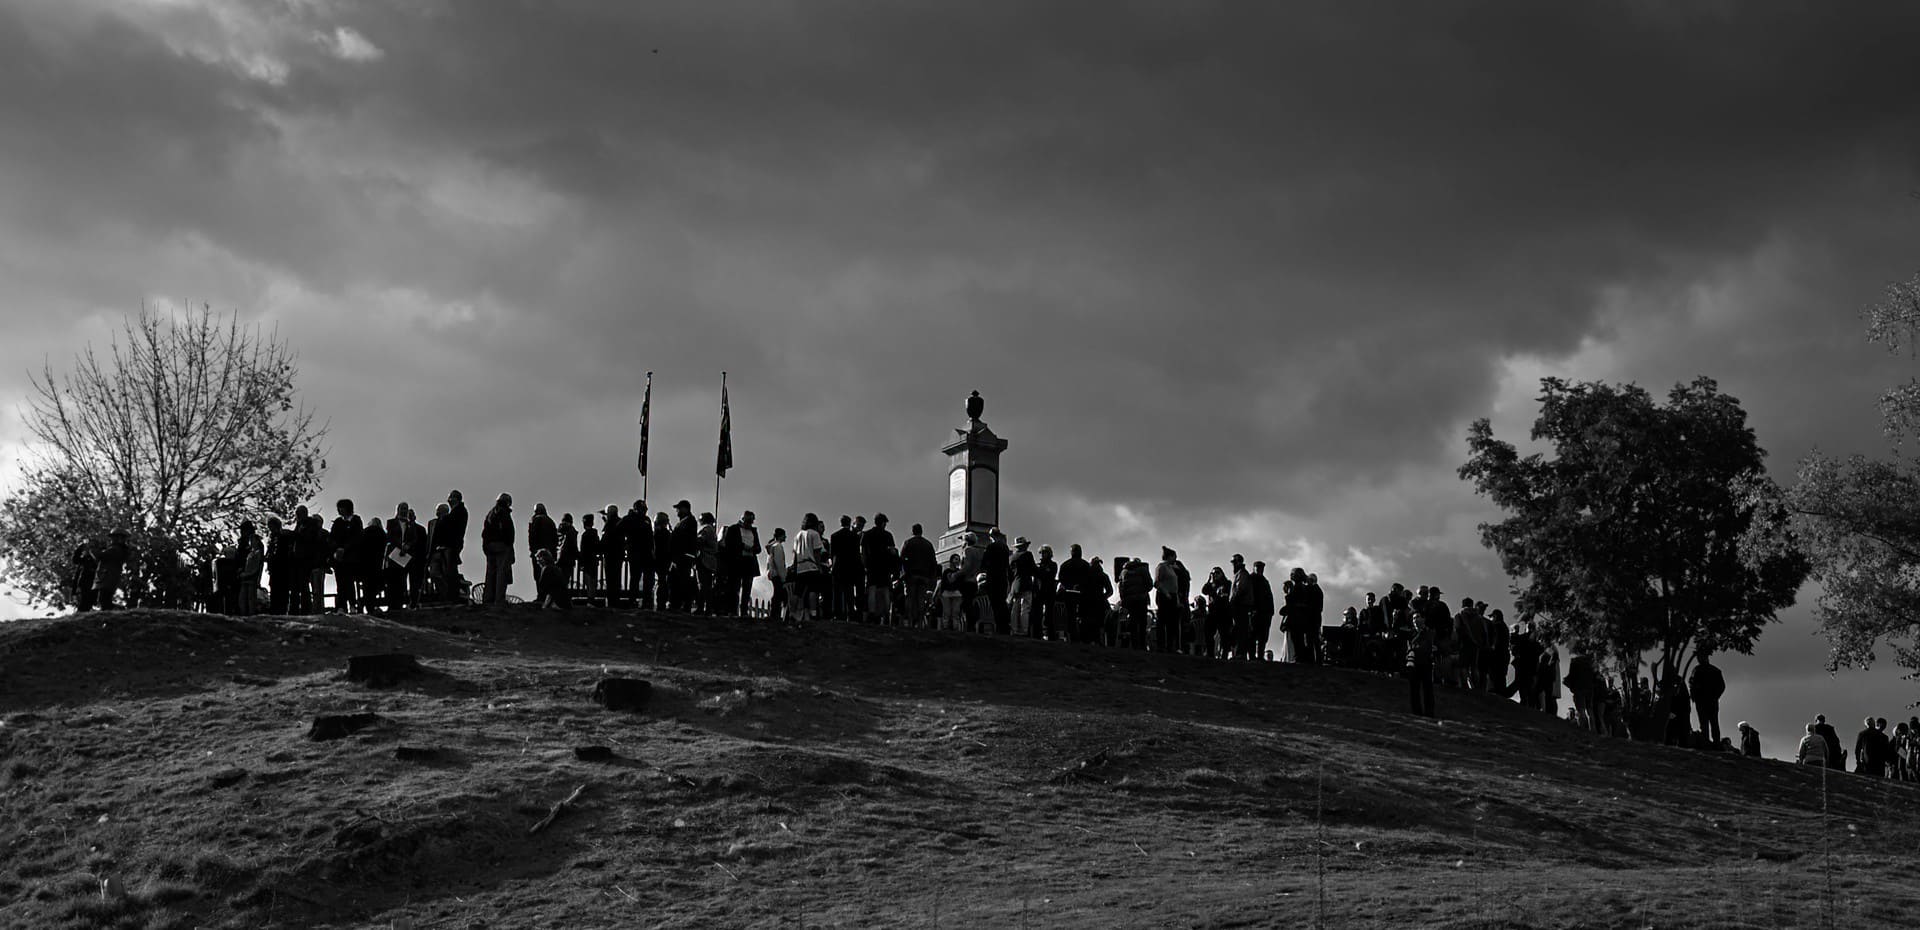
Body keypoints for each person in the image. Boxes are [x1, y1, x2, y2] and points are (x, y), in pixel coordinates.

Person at [721, 511, 763, 617]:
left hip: (750, 562)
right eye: (748, 521)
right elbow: (729, 545)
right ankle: (733, 610)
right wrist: (742, 546)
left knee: (747, 588)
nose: (750, 523)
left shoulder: (753, 531)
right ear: (743, 519)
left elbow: (758, 548)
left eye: (751, 521)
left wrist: (753, 549)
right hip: (737, 562)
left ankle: (744, 611)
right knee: (734, 587)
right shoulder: (733, 529)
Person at [789, 513, 828, 625]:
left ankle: (792, 614)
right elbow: (817, 552)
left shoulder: (798, 535)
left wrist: (795, 567)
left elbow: (795, 555)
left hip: (800, 566)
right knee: (813, 590)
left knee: (797, 592)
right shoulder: (814, 534)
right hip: (811, 565)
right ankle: (813, 613)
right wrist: (819, 566)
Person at [901, 524, 939, 629]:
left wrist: (904, 573)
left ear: (912, 531)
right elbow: (933, 562)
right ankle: (920, 622)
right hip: (924, 576)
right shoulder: (928, 544)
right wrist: (932, 577)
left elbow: (902, 559)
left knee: (910, 598)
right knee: (921, 599)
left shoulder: (908, 543)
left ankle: (909, 621)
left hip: (911, 575)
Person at [481, 493, 515, 605]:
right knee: (502, 573)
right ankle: (499, 600)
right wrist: (509, 545)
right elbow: (508, 532)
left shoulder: (491, 513)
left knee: (490, 573)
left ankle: (488, 599)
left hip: (490, 546)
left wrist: (485, 546)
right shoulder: (504, 513)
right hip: (502, 546)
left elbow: (485, 532)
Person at [329, 499, 362, 612]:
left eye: (341, 507)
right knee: (340, 583)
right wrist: (336, 549)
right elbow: (332, 537)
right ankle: (341, 606)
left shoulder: (356, 520)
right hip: (339, 558)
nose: (339, 510)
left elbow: (357, 538)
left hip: (351, 557)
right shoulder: (338, 522)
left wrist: (345, 548)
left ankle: (352, 605)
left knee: (349, 582)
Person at [1153, 548, 1187, 655]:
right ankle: (1161, 645)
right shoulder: (1162, 567)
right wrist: (1166, 592)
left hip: (1172, 596)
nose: (1175, 559)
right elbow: (1157, 583)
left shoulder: (1171, 568)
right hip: (1164, 596)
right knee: (1162, 620)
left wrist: (1176, 599)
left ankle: (1170, 646)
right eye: (1174, 556)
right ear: (1170, 556)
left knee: (1172, 622)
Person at [1688, 651, 1726, 746]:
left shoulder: (1697, 670)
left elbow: (1691, 684)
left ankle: (1706, 743)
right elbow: (1722, 686)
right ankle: (1715, 744)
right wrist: (1715, 696)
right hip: (1711, 701)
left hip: (1702, 701)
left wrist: (1694, 697)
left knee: (1705, 723)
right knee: (1713, 723)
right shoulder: (1715, 670)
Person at [623, 500, 654, 609]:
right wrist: (626, 545)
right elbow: (619, 531)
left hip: (646, 554)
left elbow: (650, 538)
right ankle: (633, 600)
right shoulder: (629, 519)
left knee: (647, 579)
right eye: (643, 509)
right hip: (635, 553)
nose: (645, 511)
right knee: (635, 578)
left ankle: (646, 600)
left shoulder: (647, 520)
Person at [1055, 545, 1089, 644]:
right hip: (1083, 594)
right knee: (1083, 616)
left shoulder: (1065, 565)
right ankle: (1083, 637)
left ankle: (1073, 637)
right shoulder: (1086, 565)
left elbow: (1061, 579)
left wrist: (1069, 586)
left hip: (1069, 593)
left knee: (1070, 616)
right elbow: (1089, 580)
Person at [1118, 556, 1153, 650]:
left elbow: (1121, 587)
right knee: (1142, 623)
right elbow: (1150, 584)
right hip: (1141, 599)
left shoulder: (1123, 572)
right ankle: (1142, 645)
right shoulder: (1143, 569)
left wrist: (1124, 598)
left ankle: (1134, 645)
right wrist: (1143, 592)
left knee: (1133, 622)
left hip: (1129, 601)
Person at [1406, 611, 1436, 718]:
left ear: (1424, 619)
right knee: (1414, 689)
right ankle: (1416, 711)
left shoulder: (1429, 632)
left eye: (1417, 617)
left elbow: (1429, 646)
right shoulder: (1410, 633)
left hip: (1426, 662)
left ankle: (1429, 712)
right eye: (1413, 618)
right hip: (1413, 663)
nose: (1415, 620)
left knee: (1428, 688)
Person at [982, 529, 1012, 635]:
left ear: (991, 536)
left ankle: (999, 626)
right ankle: (1004, 626)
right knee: (1001, 602)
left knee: (995, 603)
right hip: (1002, 578)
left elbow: (984, 563)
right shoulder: (1005, 547)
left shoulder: (991, 547)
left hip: (993, 578)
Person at [355, 513, 386, 613]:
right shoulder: (382, 533)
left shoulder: (364, 533)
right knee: (377, 585)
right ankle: (369, 603)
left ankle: (367, 604)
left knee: (367, 586)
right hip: (378, 564)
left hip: (365, 565)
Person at [670, 501, 698, 612]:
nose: (677, 511)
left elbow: (683, 540)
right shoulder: (686, 522)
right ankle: (679, 604)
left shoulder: (688, 522)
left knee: (682, 581)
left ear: (685, 509)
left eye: (679, 508)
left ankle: (682, 605)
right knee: (679, 580)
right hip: (683, 556)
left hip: (683, 557)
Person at [95, 529, 131, 610]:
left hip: (108, 576)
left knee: (104, 598)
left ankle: (114, 612)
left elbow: (100, 556)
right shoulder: (120, 549)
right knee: (104, 598)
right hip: (110, 576)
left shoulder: (116, 549)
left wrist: (92, 549)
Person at [1010, 537, 1038, 637]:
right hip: (1026, 584)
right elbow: (1034, 569)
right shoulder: (1028, 555)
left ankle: (1014, 629)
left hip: (1015, 585)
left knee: (1015, 608)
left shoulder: (1012, 557)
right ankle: (1024, 630)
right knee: (1025, 608)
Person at [235, 520, 264, 615]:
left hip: (250, 575)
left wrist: (256, 576)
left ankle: (250, 615)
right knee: (242, 599)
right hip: (242, 574)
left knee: (250, 599)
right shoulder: (242, 543)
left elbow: (259, 563)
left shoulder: (256, 546)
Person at [600, 504, 627, 607]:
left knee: (610, 580)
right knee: (617, 579)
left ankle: (611, 602)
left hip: (610, 555)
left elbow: (605, 540)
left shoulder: (609, 524)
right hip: (619, 555)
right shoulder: (621, 522)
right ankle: (616, 600)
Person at [443, 490, 470, 591]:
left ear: (455, 499)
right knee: (451, 567)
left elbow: (452, 527)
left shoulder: (458, 512)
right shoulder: (459, 511)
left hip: (453, 543)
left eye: (450, 498)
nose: (448, 501)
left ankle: (453, 591)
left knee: (451, 569)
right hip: (455, 542)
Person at [935, 553, 968, 632]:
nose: (957, 561)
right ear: (951, 560)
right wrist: (941, 593)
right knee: (946, 612)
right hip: (946, 593)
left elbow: (962, 584)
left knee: (955, 612)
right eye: (956, 559)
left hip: (957, 594)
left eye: (958, 559)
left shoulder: (959, 572)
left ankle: (955, 628)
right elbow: (943, 583)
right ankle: (946, 628)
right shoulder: (946, 571)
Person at [1249, 561, 1274, 660]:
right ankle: (1252, 655)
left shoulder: (1264, 581)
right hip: (1255, 611)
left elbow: (1268, 597)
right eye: (1258, 567)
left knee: (1262, 636)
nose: (1260, 570)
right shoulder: (1251, 580)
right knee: (1252, 635)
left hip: (1265, 612)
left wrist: (1270, 612)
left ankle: (1259, 655)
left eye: (1261, 568)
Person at [695, 512, 720, 614]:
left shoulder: (705, 529)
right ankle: (708, 608)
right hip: (711, 561)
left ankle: (702, 607)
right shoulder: (712, 530)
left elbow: (700, 541)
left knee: (703, 584)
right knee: (708, 585)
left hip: (704, 559)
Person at [1084, 556, 1112, 644]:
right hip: (1100, 603)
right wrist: (1103, 597)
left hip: (1088, 602)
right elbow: (1110, 591)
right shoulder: (1103, 575)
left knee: (1089, 623)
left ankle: (1088, 641)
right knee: (1100, 624)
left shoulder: (1086, 575)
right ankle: (1099, 641)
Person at [1035, 544, 1060, 641]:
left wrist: (1040, 571)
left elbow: (1049, 575)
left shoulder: (1053, 565)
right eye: (1040, 553)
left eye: (1043, 553)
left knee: (1049, 615)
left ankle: (1051, 635)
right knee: (1038, 614)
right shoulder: (1039, 565)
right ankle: (1038, 634)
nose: (1041, 555)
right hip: (1040, 591)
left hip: (1049, 592)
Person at [765, 526, 789, 623]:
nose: (785, 537)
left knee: (777, 594)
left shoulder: (772, 547)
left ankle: (775, 614)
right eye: (784, 535)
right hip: (777, 574)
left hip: (772, 573)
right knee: (779, 594)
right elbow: (779, 563)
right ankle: (776, 614)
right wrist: (783, 577)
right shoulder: (778, 546)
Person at [527, 504, 558, 576]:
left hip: (538, 552)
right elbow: (555, 539)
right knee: (549, 574)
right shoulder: (551, 521)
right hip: (550, 553)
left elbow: (532, 537)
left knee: (538, 575)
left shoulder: (534, 520)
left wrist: (532, 550)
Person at [578, 512, 601, 605]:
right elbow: (598, 547)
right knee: (593, 581)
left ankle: (590, 599)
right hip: (593, 560)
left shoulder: (585, 535)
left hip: (587, 561)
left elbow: (583, 550)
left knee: (588, 581)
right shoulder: (595, 534)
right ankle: (592, 599)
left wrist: (581, 563)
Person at [556, 513, 579, 604]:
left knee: (559, 580)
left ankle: (558, 599)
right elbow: (573, 546)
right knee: (565, 581)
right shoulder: (571, 531)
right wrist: (578, 555)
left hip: (559, 559)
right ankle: (563, 601)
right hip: (568, 559)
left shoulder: (559, 530)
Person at [69, 542, 98, 612]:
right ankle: (81, 614)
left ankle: (81, 614)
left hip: (92, 583)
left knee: (87, 602)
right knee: (84, 602)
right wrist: (80, 548)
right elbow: (75, 560)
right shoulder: (84, 559)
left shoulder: (95, 559)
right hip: (83, 583)